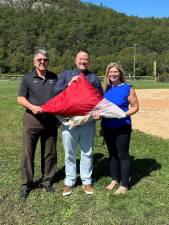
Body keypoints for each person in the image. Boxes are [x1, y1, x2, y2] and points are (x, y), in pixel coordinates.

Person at [53, 49, 102, 196]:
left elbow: (100, 98)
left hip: (87, 122)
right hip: (69, 122)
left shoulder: (93, 78)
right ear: (76, 60)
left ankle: (86, 181)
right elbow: (55, 92)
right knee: (69, 154)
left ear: (89, 61)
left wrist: (99, 112)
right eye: (80, 59)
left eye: (85, 59)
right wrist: (68, 84)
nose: (83, 61)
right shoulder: (66, 74)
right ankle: (69, 181)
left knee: (87, 153)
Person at [17, 49, 58, 200]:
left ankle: (47, 181)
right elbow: (20, 98)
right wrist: (33, 107)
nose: (42, 62)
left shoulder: (54, 77)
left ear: (48, 61)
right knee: (28, 153)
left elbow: (61, 96)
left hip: (50, 121)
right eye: (39, 59)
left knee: (49, 153)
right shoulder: (28, 77)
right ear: (35, 62)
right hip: (32, 121)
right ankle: (26, 184)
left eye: (45, 60)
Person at [100, 62, 139, 195]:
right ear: (107, 74)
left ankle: (124, 184)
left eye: (115, 72)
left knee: (123, 155)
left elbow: (135, 107)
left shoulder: (128, 88)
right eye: (110, 72)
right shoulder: (106, 89)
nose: (113, 74)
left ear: (120, 73)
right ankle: (114, 179)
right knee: (112, 154)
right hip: (107, 126)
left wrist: (123, 114)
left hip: (122, 126)